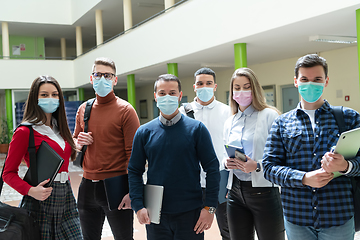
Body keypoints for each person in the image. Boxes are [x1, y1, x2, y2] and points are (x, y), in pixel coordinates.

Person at [263, 54, 360, 240]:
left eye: (317, 80)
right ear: (296, 81)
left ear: (326, 81)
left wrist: (346, 167)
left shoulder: (349, 118)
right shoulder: (282, 123)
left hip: (338, 215)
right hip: (297, 217)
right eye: (305, 79)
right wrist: (304, 178)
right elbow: (268, 168)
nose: (311, 85)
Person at [128, 74, 220, 240]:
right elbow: (134, 170)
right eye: (162, 93)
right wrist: (138, 205)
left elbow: (212, 168)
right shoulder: (144, 132)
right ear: (155, 96)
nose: (167, 97)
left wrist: (210, 208)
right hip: (155, 214)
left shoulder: (197, 129)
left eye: (172, 93)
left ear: (179, 95)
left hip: (190, 214)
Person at [3, 75, 83, 239]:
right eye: (44, 95)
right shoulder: (25, 131)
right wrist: (30, 190)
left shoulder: (60, 129)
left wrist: (78, 144)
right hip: (41, 198)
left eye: (55, 94)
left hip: (66, 194)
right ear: (35, 98)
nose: (51, 99)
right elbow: (8, 173)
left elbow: (64, 155)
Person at [73, 57, 140, 240]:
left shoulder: (126, 110)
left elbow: (133, 155)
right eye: (98, 74)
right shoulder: (83, 109)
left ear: (115, 80)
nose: (102, 79)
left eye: (107, 75)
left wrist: (132, 191)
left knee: (123, 237)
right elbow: (73, 143)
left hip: (116, 185)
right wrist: (78, 142)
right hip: (87, 185)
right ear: (91, 78)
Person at [224, 68, 285, 240]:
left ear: (255, 89)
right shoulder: (230, 121)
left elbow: (282, 157)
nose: (241, 91)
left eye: (246, 86)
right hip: (235, 192)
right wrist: (226, 162)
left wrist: (257, 166)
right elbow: (225, 152)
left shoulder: (269, 116)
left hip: (264, 192)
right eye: (237, 87)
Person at [179, 67, 230, 240]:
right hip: (192, 182)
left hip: (221, 180)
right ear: (194, 86)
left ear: (215, 86)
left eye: (209, 83)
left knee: (229, 229)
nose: (204, 87)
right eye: (200, 83)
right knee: (192, 230)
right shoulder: (182, 113)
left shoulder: (227, 111)